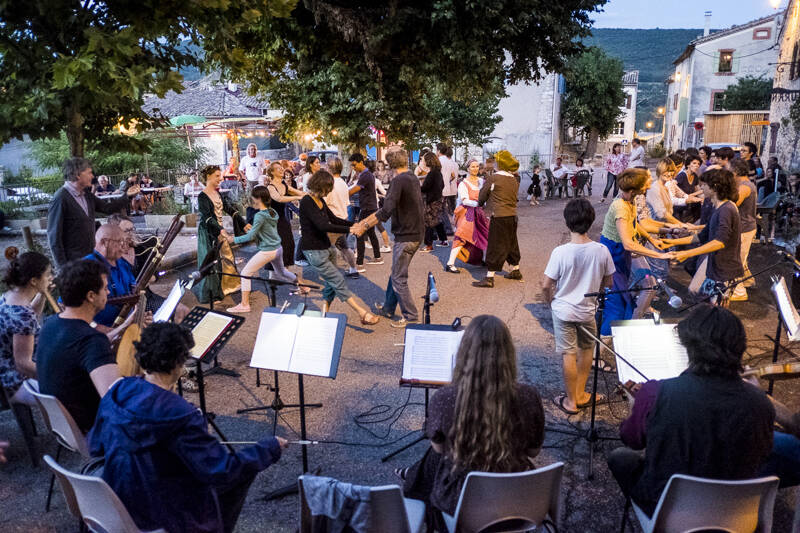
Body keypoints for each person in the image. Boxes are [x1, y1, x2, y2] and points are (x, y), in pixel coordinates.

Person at [88, 322, 289, 533]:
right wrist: (268, 448)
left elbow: (96, 446)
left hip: (113, 506)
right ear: (178, 363)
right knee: (232, 479)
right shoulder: (182, 415)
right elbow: (221, 470)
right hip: (159, 517)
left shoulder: (117, 390)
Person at [607, 304, 774, 517]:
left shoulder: (655, 393)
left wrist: (636, 412)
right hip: (736, 514)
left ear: (689, 347)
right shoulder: (761, 402)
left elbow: (631, 439)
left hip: (670, 513)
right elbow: (763, 455)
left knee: (621, 458)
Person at [399, 315, 545, 528]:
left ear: (464, 353)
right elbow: (533, 451)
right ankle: (412, 475)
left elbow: (439, 449)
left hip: (461, 502)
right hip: (516, 498)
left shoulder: (446, 398)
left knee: (433, 461)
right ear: (508, 353)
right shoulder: (528, 396)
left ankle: (413, 482)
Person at [542, 199, 614, 414]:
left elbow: (546, 284)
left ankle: (571, 401)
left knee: (568, 354)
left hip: (563, 310)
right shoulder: (601, 250)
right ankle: (581, 394)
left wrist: (550, 301)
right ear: (591, 221)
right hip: (587, 310)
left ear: (567, 222)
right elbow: (609, 282)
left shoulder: (560, 252)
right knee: (586, 352)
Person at [36, 260, 121, 433]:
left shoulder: (50, 324)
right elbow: (116, 401)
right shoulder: (92, 340)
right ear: (91, 296)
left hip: (65, 428)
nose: (109, 292)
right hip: (96, 431)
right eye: (105, 288)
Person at [599, 169, 674, 334]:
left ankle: (616, 335)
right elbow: (628, 244)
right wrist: (659, 254)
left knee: (622, 298)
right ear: (633, 190)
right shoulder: (620, 207)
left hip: (620, 256)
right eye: (645, 183)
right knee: (616, 303)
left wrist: (651, 239)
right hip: (613, 255)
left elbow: (634, 223)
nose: (648, 185)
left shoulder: (630, 200)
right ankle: (601, 343)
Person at [300, 170, 379, 324]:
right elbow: (323, 225)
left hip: (326, 247)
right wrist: (350, 229)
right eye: (327, 189)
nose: (328, 192)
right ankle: (362, 313)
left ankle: (325, 313)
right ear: (319, 185)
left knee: (331, 282)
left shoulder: (320, 201)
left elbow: (334, 219)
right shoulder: (307, 201)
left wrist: (354, 224)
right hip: (313, 250)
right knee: (337, 280)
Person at [358, 147, 425, 328]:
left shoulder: (398, 180)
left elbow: (386, 211)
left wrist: (363, 225)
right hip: (416, 233)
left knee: (398, 278)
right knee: (396, 272)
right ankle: (388, 308)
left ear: (390, 164)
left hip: (406, 235)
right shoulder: (412, 177)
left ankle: (411, 316)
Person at [663, 169, 743, 301]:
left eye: (704, 185)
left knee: (715, 308)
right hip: (715, 266)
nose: (701, 188)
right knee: (699, 297)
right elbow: (702, 236)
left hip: (724, 270)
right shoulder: (718, 207)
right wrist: (672, 242)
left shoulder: (727, 209)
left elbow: (719, 242)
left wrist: (687, 253)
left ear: (715, 187)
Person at [47, 157, 139, 269]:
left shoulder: (87, 195)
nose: (92, 176)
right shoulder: (60, 199)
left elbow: (107, 208)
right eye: (89, 172)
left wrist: (127, 197)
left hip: (91, 259)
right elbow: (54, 239)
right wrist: (63, 269)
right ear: (77, 174)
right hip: (74, 264)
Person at [226, 186, 298, 313]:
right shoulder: (272, 212)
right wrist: (253, 229)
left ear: (258, 199)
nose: (251, 200)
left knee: (245, 273)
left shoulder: (260, 215)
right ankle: (301, 286)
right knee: (281, 272)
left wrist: (233, 239)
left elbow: (251, 236)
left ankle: (244, 304)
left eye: (253, 198)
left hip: (268, 251)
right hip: (277, 248)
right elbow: (264, 231)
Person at [0, 252, 51, 406]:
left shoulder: (8, 297)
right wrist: (56, 376)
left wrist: (43, 294)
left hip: (6, 372)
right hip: (16, 383)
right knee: (78, 388)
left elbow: (30, 319)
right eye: (48, 275)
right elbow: (24, 364)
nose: (50, 278)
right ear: (34, 281)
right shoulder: (22, 315)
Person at [193, 165, 246, 304]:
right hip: (209, 231)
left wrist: (243, 222)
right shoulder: (202, 196)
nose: (220, 178)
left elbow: (229, 209)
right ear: (208, 177)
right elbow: (207, 217)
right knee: (211, 260)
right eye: (217, 176)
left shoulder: (218, 193)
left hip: (219, 229)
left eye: (220, 175)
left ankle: (228, 286)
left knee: (226, 256)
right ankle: (211, 294)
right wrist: (220, 229)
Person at [473, 150, 523, 288]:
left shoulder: (494, 177)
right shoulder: (513, 179)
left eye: (496, 160)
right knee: (512, 243)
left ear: (500, 163)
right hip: (512, 215)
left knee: (495, 245)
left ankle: (489, 277)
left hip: (499, 215)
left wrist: (480, 204)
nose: (494, 162)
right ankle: (515, 269)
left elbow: (483, 194)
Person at [446, 159, 489, 273]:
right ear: (468, 168)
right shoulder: (463, 183)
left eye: (477, 166)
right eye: (472, 166)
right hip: (466, 212)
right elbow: (464, 200)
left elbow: (486, 196)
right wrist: (478, 203)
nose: (475, 168)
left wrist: (484, 204)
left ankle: (484, 259)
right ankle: (450, 263)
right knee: (462, 236)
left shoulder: (482, 181)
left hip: (479, 212)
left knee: (484, 234)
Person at [324, 157, 360, 278]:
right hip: (343, 218)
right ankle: (353, 269)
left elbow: (324, 203)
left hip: (332, 221)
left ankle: (331, 275)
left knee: (326, 248)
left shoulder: (329, 184)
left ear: (329, 168)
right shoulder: (343, 183)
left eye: (327, 165)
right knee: (344, 247)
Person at [265, 162, 304, 271]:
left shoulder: (284, 185)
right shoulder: (270, 187)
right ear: (272, 172)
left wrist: (311, 194)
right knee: (275, 247)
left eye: (281, 168)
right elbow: (279, 198)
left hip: (282, 219)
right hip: (272, 221)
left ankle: (286, 270)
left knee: (288, 244)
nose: (282, 170)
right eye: (278, 169)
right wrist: (296, 197)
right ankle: (273, 274)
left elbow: (299, 193)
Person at [348, 153, 383, 266]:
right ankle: (377, 257)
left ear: (361, 162)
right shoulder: (366, 174)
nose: (353, 168)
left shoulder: (365, 175)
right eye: (352, 166)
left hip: (367, 208)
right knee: (371, 233)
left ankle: (359, 264)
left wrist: (340, 194)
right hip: (370, 207)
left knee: (359, 233)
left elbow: (354, 190)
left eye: (354, 165)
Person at [730, 159, 757, 302]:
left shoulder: (745, 187)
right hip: (746, 227)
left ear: (735, 171)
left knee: (737, 260)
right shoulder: (745, 184)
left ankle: (739, 291)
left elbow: (734, 204)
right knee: (741, 257)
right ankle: (748, 280)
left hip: (744, 228)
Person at [420, 152, 448, 253]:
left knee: (428, 222)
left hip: (432, 200)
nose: (423, 162)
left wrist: (418, 187)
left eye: (424, 160)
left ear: (428, 161)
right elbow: (443, 185)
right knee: (437, 220)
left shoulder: (432, 174)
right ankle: (443, 240)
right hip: (438, 199)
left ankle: (428, 245)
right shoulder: (438, 172)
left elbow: (425, 187)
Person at [672, 155, 704, 223]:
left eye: (698, 164)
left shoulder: (694, 176)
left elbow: (699, 190)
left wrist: (698, 197)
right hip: (679, 204)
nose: (697, 165)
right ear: (688, 164)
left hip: (690, 203)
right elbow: (672, 185)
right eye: (694, 163)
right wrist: (685, 196)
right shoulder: (682, 175)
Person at [438, 143, 458, 236]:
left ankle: (447, 228)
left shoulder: (438, 161)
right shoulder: (451, 162)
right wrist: (448, 181)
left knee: (441, 209)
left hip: (440, 188)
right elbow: (453, 175)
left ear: (438, 150)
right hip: (448, 188)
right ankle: (448, 228)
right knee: (445, 209)